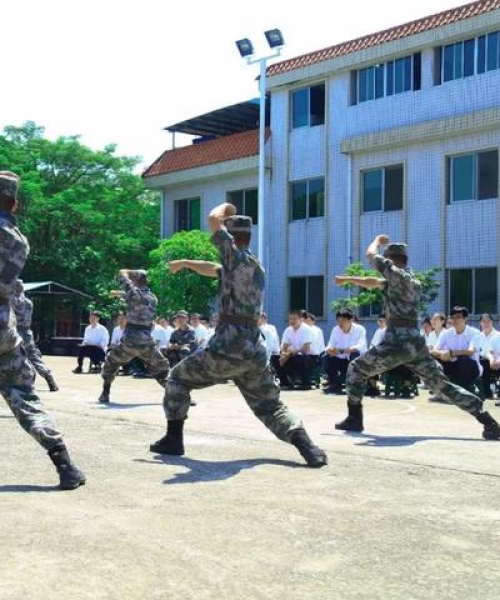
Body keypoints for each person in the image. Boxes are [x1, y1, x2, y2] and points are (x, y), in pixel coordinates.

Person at [150, 203, 327, 467]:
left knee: (176, 378)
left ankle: (174, 439)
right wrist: (187, 263)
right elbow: (213, 268)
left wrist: (226, 208)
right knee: (270, 406)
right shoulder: (254, 267)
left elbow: (213, 218)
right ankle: (308, 447)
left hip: (226, 347)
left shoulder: (233, 257)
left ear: (231, 239)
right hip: (253, 351)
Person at [333, 234, 500, 440]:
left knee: (356, 368)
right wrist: (349, 279)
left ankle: (354, 418)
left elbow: (370, 254)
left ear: (393, 260)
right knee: (441, 384)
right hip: (415, 343)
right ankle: (487, 421)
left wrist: (377, 240)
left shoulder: (396, 275)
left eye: (388, 259)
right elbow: (373, 282)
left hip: (396, 341)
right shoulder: (411, 281)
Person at [0, 171, 84, 489]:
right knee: (25, 399)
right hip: (4, 329)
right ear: (16, 204)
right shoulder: (20, 240)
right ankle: (66, 466)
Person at [98, 270, 170, 404]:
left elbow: (121, 274)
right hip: (147, 341)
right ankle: (176, 395)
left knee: (111, 362)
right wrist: (120, 292)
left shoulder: (133, 293)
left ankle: (105, 392)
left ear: (135, 280)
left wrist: (127, 272)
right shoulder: (153, 297)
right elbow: (132, 296)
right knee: (162, 368)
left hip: (130, 340)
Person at [12, 279, 59, 391]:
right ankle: (49, 378)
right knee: (34, 358)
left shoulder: (11, 301)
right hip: (27, 333)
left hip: (14, 333)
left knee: (11, 358)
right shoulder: (28, 302)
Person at [433, 307, 482, 389]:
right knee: (433, 359)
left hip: (470, 368)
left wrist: (451, 353)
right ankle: (440, 390)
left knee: (464, 359)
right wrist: (443, 354)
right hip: (452, 365)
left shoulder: (474, 332)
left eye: (458, 317)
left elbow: (470, 351)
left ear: (466, 319)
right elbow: (434, 350)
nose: (455, 320)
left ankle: (464, 390)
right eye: (452, 317)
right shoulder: (447, 333)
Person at [322, 308, 367, 394]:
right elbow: (330, 345)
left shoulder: (360, 329)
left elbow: (360, 346)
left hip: (355, 360)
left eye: (343, 321)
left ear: (351, 320)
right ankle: (335, 384)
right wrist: (329, 350)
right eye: (338, 321)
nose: (340, 323)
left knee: (355, 354)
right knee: (325, 358)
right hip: (340, 359)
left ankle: (353, 385)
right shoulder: (335, 330)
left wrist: (342, 350)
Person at [273, 311, 314, 390]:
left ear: (301, 319)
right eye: (290, 319)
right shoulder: (288, 330)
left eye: (295, 319)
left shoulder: (306, 329)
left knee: (301, 358)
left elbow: (306, 349)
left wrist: (289, 354)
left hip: (310, 357)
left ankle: (306, 383)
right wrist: (283, 356)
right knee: (275, 358)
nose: (292, 321)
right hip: (293, 355)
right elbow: (284, 347)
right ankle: (285, 383)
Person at [477, 313, 500, 399]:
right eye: (483, 321)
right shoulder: (478, 336)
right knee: (483, 363)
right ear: (480, 323)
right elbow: (480, 352)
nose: (486, 323)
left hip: (498, 362)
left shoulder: (498, 335)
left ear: (492, 322)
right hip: (486, 362)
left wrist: (497, 361)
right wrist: (491, 360)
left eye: (488, 321)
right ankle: (487, 392)